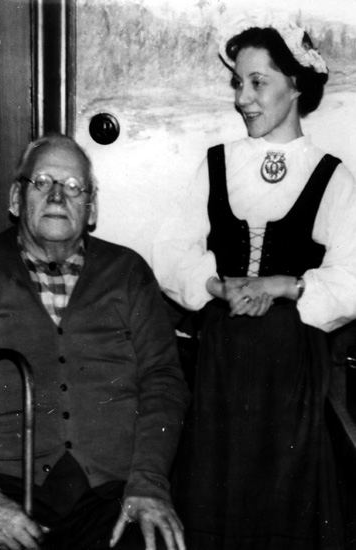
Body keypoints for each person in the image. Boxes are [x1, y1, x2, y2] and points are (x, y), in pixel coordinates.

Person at [152, 12, 356, 550]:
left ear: (296, 85)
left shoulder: (332, 176)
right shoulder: (217, 164)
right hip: (219, 367)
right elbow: (173, 250)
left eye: (258, 82)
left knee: (282, 505)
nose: (243, 98)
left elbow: (352, 277)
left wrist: (284, 285)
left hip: (291, 373)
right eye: (238, 83)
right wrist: (218, 288)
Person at [0, 134, 190, 550]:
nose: (57, 196)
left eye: (74, 187)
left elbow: (163, 382)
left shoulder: (128, 273)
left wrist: (148, 484)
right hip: (1, 490)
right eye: (42, 182)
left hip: (113, 495)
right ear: (16, 198)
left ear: (91, 208)